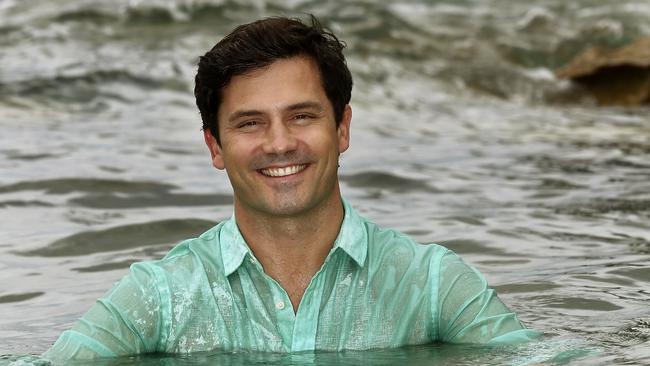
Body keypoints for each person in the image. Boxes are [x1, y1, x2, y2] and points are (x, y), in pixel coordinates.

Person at [43, 15, 539, 362]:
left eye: (301, 116)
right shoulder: (162, 297)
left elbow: (544, 359)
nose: (279, 144)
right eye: (250, 123)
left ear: (342, 128)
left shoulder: (431, 285)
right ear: (215, 147)